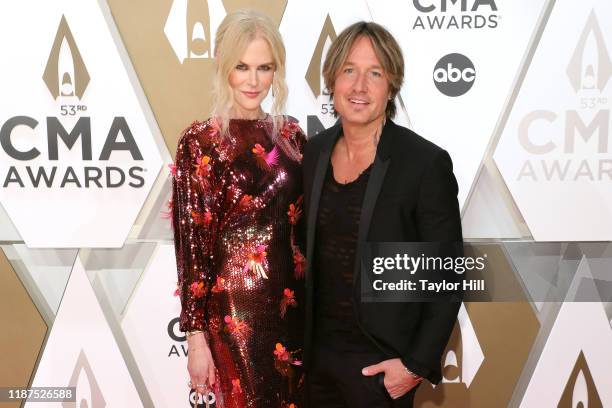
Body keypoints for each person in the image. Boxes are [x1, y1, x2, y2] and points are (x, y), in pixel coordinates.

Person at [302, 21, 463, 407]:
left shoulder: (424, 163)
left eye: (374, 73)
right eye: (349, 71)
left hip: (379, 372)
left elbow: (447, 276)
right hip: (313, 367)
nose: (359, 86)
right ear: (331, 80)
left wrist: (413, 365)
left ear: (391, 85)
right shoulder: (311, 154)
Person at [172, 10, 306, 408]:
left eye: (264, 68)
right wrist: (196, 337)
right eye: (241, 67)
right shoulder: (201, 142)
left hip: (295, 313)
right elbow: (192, 247)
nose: (253, 80)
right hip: (235, 319)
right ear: (222, 66)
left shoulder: (292, 135)